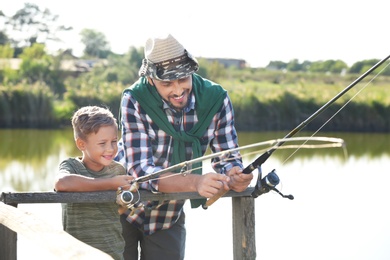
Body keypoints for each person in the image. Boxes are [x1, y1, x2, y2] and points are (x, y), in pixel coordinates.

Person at [116, 34, 253, 260]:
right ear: (150, 79)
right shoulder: (134, 98)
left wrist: (235, 174)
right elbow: (139, 172)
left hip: (169, 214)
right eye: (167, 83)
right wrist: (195, 182)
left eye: (183, 79)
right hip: (121, 206)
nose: (178, 90)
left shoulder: (216, 99)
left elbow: (227, 157)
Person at [55, 106, 134, 260]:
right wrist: (110, 183)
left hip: (113, 253)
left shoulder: (118, 170)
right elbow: (61, 183)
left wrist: (128, 197)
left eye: (114, 141)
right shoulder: (71, 167)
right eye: (102, 143)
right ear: (81, 144)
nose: (110, 149)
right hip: (77, 254)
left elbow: (119, 210)